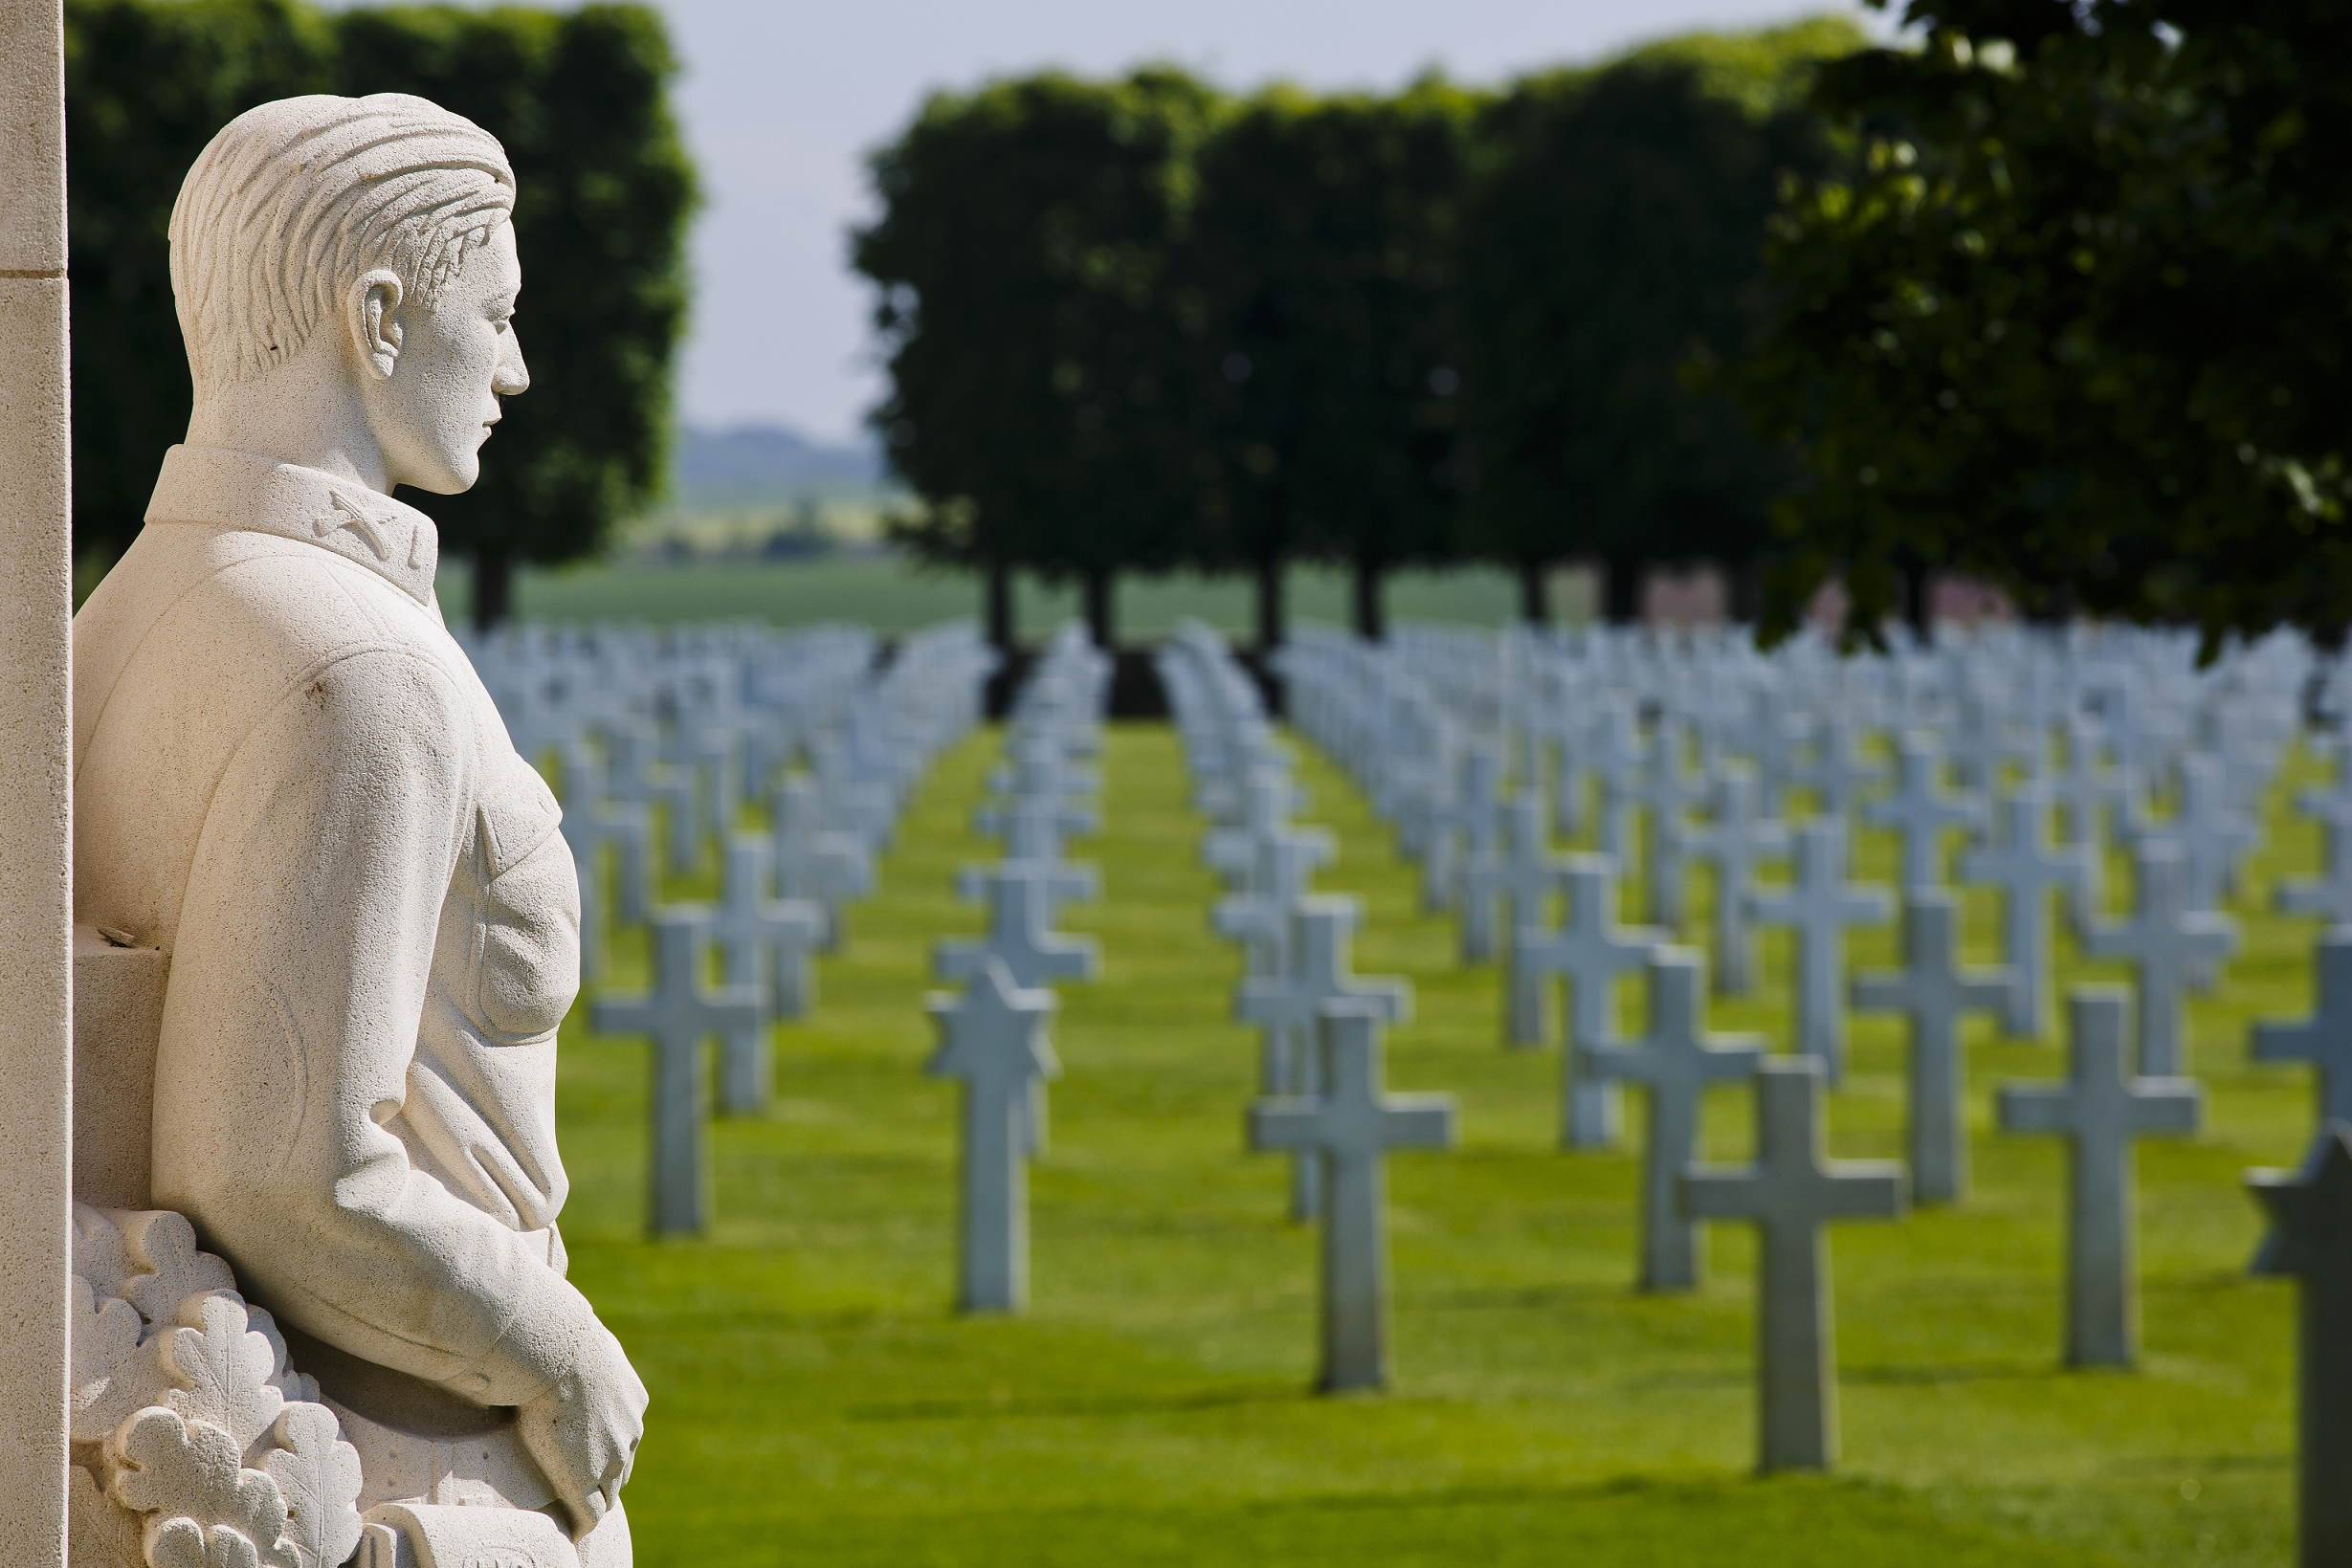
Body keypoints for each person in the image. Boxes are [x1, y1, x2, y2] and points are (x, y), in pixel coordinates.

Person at [72, 93, 643, 1558]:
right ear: (377, 313)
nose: (515, 366)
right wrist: (552, 1344)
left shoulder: (120, 615)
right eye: (496, 312)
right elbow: (284, 1166)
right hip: (402, 1466)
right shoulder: (354, 670)